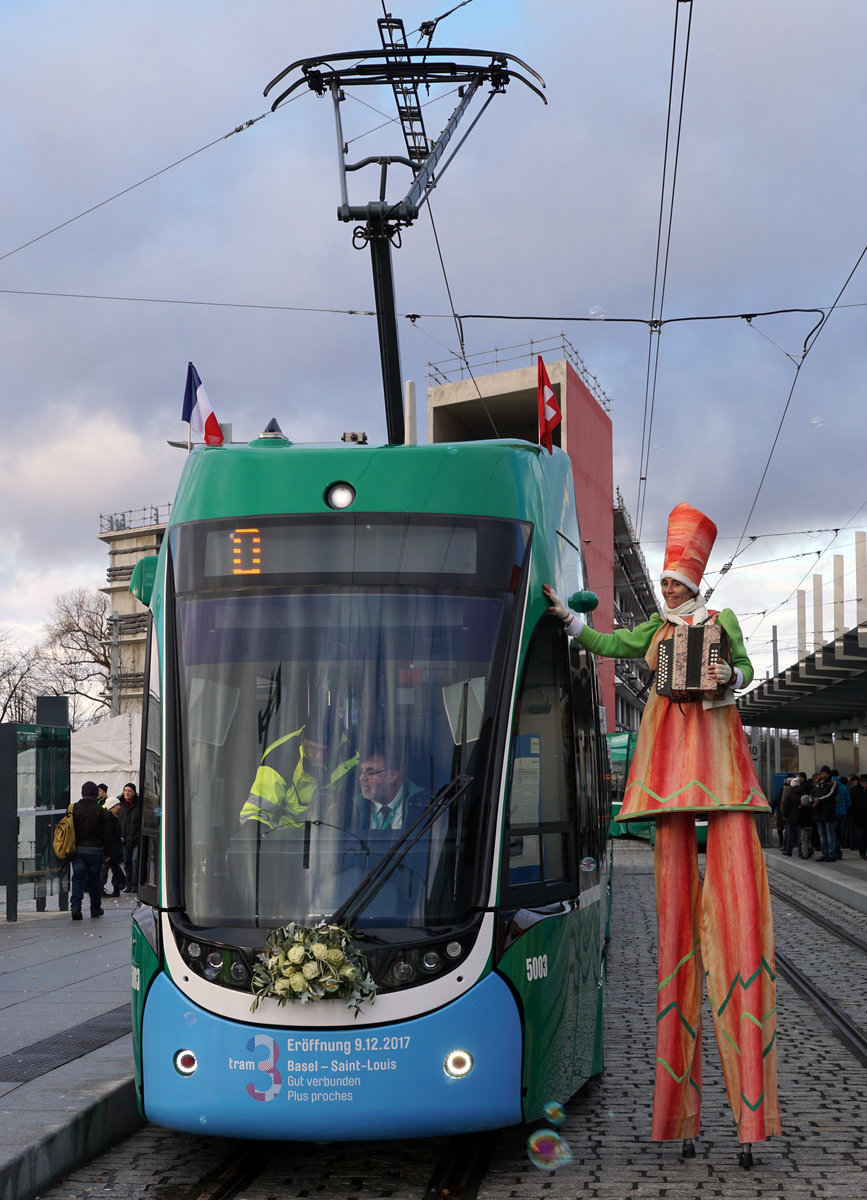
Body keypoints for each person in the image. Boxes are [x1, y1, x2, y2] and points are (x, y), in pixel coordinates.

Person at [545, 501, 780, 1165]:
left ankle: (747, 1112)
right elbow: (609, 645)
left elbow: (742, 671)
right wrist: (569, 620)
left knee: (736, 932)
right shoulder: (652, 628)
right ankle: (678, 1113)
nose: (670, 591)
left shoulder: (719, 622)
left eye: (677, 584)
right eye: (667, 583)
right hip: (668, 781)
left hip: (721, 776)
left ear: (695, 585)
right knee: (674, 939)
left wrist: (726, 677)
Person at [240, 702, 358, 832]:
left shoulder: (354, 751)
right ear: (303, 739)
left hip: (339, 834)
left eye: (326, 751)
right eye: (312, 748)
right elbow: (256, 812)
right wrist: (261, 839)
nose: (319, 756)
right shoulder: (279, 757)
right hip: (289, 837)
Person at [353, 741, 426, 832]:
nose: (362, 778)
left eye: (370, 773)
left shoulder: (424, 806)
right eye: (361, 772)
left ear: (393, 776)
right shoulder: (352, 808)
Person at [70, 781, 113, 920]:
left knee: (78, 877)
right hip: (95, 850)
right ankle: (95, 908)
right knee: (94, 879)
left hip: (77, 850)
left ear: (82, 793)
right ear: (95, 794)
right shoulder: (100, 810)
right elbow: (107, 832)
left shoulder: (74, 808)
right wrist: (108, 852)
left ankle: (76, 907)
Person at [116, 782, 142, 892]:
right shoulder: (119, 804)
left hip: (136, 838)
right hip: (124, 839)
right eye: (125, 790)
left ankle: (135, 884)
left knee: (135, 860)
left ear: (134, 793)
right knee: (127, 862)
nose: (127, 792)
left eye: (129, 790)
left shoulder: (139, 804)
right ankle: (128, 884)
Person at [810, 766, 838, 861]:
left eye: (826, 773)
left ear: (829, 774)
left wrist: (819, 800)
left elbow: (830, 795)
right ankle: (824, 853)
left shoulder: (832, 783)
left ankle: (832, 853)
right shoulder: (818, 784)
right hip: (818, 813)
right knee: (822, 834)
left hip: (828, 813)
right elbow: (812, 793)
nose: (824, 775)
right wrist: (812, 800)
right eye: (822, 773)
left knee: (830, 834)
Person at [100, 800, 126, 896]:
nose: (119, 807)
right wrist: (108, 853)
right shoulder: (108, 818)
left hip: (113, 849)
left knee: (114, 869)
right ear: (111, 807)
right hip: (111, 850)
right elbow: (108, 836)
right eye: (117, 805)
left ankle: (116, 887)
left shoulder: (112, 817)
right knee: (107, 869)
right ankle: (101, 888)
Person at [780, 776, 803, 857]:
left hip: (791, 818)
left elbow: (785, 806)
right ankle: (801, 852)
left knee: (790, 836)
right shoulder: (803, 793)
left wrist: (785, 815)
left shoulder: (789, 794)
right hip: (801, 818)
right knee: (800, 837)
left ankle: (789, 851)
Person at [832, 770, 850, 859]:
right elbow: (849, 802)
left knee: (832, 834)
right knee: (839, 834)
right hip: (842, 813)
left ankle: (834, 852)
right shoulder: (843, 787)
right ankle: (838, 852)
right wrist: (844, 809)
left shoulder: (829, 786)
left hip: (832, 814)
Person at [850, 774, 867, 858]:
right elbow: (850, 804)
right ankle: (862, 852)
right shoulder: (853, 790)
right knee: (860, 836)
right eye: (863, 782)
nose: (865, 783)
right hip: (857, 818)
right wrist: (850, 815)